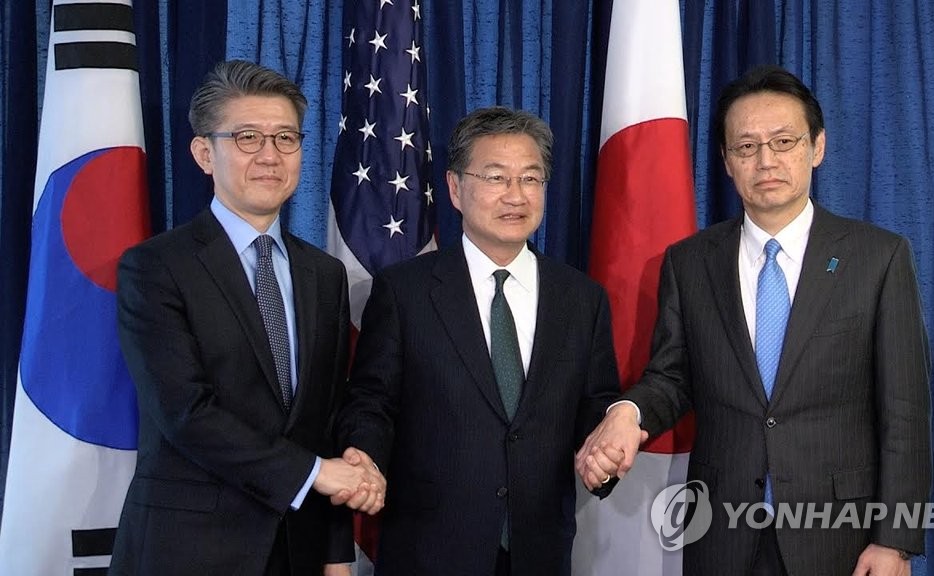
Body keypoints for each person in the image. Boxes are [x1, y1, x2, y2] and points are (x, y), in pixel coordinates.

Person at [576, 65, 932, 576]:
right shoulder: (690, 262)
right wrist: (628, 413)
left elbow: (905, 412)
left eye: (784, 141)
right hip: (721, 533)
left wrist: (894, 542)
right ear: (726, 161)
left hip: (842, 537)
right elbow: (672, 378)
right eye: (746, 147)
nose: (766, 160)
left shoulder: (878, 257)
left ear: (817, 147)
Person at [111, 60, 384, 576]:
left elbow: (324, 421)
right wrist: (314, 473)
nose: (269, 155)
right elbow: (185, 412)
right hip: (189, 552)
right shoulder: (155, 267)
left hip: (298, 551)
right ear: (203, 154)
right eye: (247, 137)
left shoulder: (323, 274)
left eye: (286, 138)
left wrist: (335, 553)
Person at [337, 106, 621, 575]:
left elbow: (597, 404)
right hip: (429, 553)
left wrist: (604, 454)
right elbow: (372, 400)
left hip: (539, 553)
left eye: (530, 178)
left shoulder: (581, 298)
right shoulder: (404, 291)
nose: (516, 195)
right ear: (455, 188)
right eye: (495, 177)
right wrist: (362, 454)